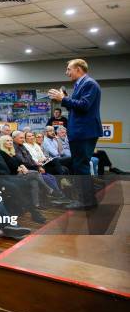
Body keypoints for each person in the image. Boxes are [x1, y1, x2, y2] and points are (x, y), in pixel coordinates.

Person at [49, 59, 102, 209]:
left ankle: (86, 201)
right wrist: (66, 98)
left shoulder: (89, 83)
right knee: (80, 166)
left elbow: (84, 106)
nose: (67, 73)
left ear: (78, 69)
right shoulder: (82, 84)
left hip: (83, 132)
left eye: (68, 69)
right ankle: (86, 200)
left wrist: (63, 99)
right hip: (81, 131)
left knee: (81, 167)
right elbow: (77, 107)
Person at [0, 131, 46, 223]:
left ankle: (21, 208)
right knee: (14, 187)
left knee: (25, 183)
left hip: (5, 176)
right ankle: (34, 213)